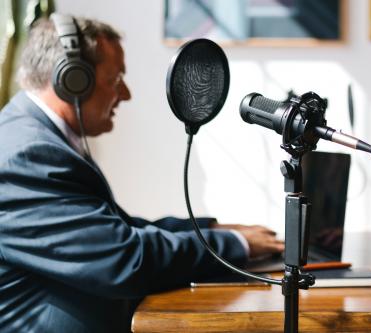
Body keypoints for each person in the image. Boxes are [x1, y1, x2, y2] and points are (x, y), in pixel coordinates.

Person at [0, 15, 284, 332]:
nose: (125, 94)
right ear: (72, 80)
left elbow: (115, 230)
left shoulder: (38, 140)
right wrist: (233, 245)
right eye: (115, 79)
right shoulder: (26, 155)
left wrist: (213, 229)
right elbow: (124, 258)